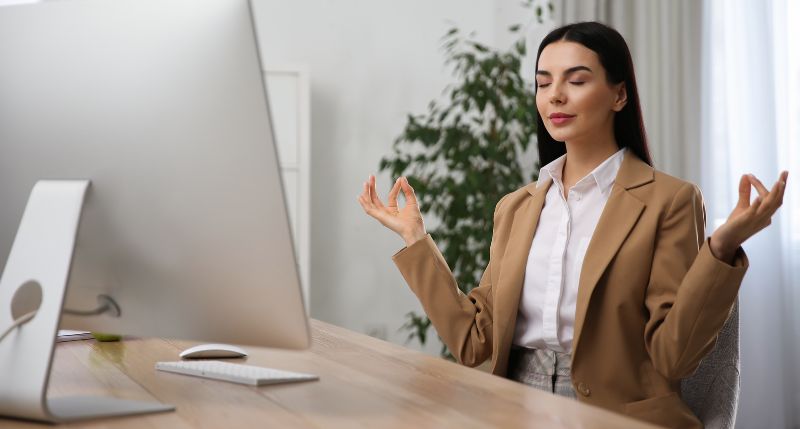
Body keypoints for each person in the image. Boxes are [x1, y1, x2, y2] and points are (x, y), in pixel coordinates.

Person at [357, 21, 788, 429]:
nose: (555, 96)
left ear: (619, 95)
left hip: (618, 415)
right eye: (544, 83)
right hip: (514, 406)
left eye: (576, 81)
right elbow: (474, 343)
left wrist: (723, 246)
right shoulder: (515, 207)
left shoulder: (669, 200)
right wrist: (414, 237)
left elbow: (674, 356)